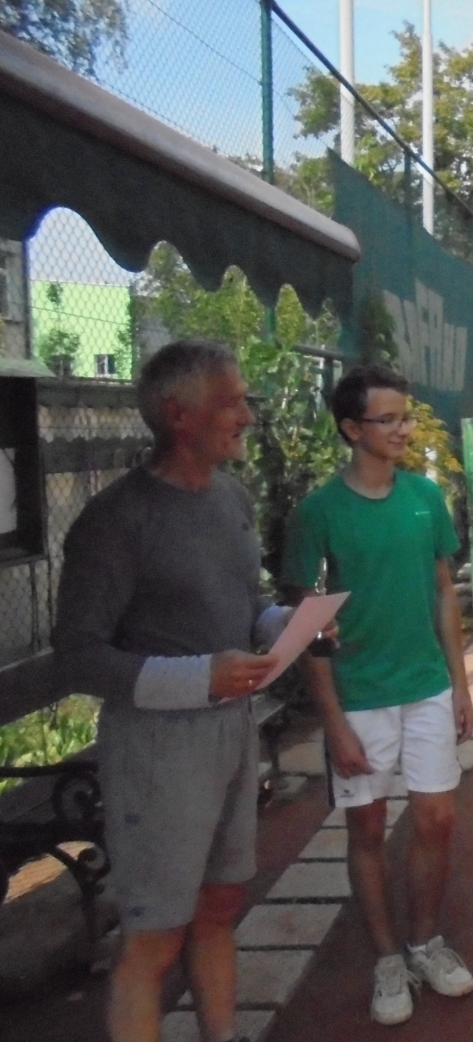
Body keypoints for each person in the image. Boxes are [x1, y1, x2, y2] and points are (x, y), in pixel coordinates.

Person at [52, 339, 288, 1042]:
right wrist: (197, 678)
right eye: (232, 401)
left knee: (219, 905)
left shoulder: (231, 497)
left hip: (231, 729)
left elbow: (244, 610)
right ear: (178, 415)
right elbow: (79, 657)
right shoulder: (117, 520)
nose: (247, 414)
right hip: (156, 749)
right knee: (153, 936)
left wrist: (291, 626)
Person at [282, 364, 473, 1026]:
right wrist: (332, 721)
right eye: (388, 419)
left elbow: (444, 591)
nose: (403, 428)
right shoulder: (317, 515)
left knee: (437, 820)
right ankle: (387, 956)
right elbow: (309, 626)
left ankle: (426, 942)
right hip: (358, 696)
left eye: (406, 416)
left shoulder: (425, 499)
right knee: (366, 824)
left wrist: (459, 681)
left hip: (425, 687)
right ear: (351, 429)